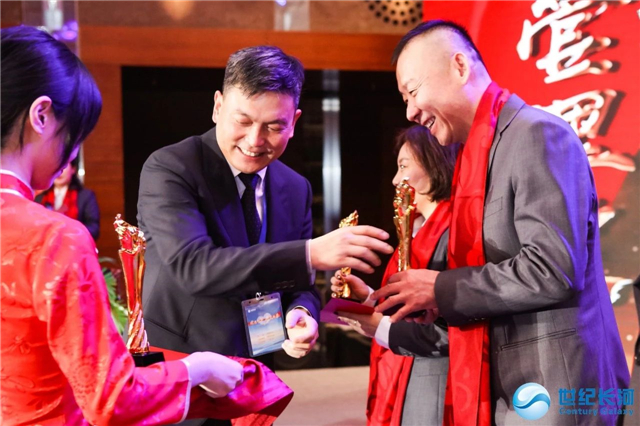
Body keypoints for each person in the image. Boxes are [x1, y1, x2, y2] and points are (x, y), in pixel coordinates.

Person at [371, 20, 630, 426]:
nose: (410, 111)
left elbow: (552, 268)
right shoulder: (477, 158)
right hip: (514, 391)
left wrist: (440, 287)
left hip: (556, 386)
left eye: (413, 91)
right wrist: (436, 304)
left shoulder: (535, 134)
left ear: (459, 66)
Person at [0, 26, 249, 426]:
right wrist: (197, 368)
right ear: (41, 115)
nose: (72, 154)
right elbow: (111, 398)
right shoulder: (53, 238)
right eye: (75, 134)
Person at [136, 46, 393, 424]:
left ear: (295, 122)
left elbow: (299, 284)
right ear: (218, 107)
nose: (256, 140)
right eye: (243, 121)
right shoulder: (172, 168)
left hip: (253, 374)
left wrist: (301, 313)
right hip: (181, 372)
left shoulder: (295, 187)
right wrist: (309, 253)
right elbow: (194, 267)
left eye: (274, 126)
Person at [331, 125, 456, 426]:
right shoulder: (416, 232)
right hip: (403, 368)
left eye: (404, 166)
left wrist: (380, 327)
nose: (395, 180)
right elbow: (409, 308)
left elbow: (451, 325)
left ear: (434, 163)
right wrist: (368, 298)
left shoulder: (455, 231)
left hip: (436, 379)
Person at [35, 155, 101, 240]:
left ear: (73, 169)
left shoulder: (85, 196)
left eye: (64, 166)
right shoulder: (40, 198)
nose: (59, 171)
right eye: (55, 166)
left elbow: (94, 228)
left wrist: (70, 232)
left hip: (76, 245)